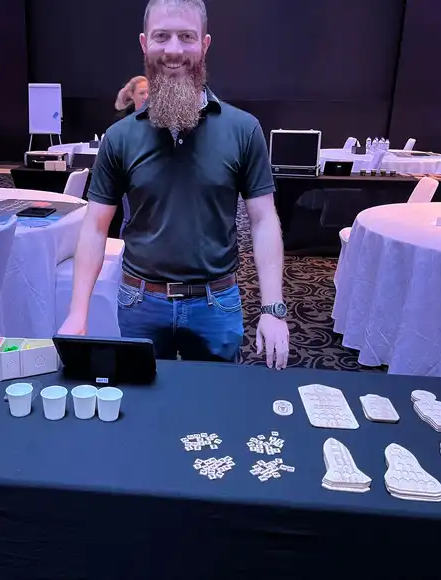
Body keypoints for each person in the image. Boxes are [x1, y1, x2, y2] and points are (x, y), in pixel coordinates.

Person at [59, 0, 289, 369]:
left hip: (217, 303)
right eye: (161, 36)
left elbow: (263, 220)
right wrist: (78, 313)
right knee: (144, 414)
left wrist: (273, 308)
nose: (174, 50)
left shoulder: (243, 129)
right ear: (143, 43)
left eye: (187, 37)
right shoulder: (119, 138)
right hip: (140, 302)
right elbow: (95, 226)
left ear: (205, 44)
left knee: (216, 410)